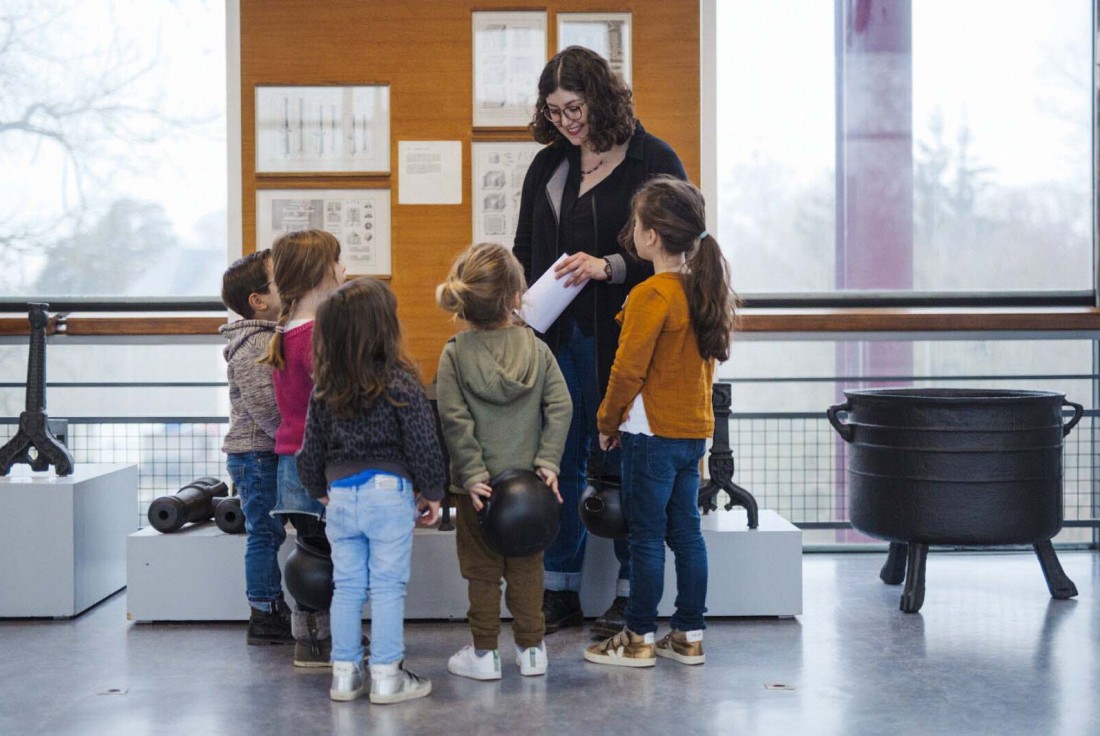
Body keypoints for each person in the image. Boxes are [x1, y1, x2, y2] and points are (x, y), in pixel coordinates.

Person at [512, 45, 688, 636]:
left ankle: (628, 594)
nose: (567, 122)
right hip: (556, 337)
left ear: (602, 97)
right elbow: (524, 250)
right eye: (556, 111)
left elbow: (680, 250)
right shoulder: (549, 165)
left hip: (629, 340)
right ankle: (559, 590)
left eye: (576, 107)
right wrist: (516, 303)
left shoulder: (651, 158)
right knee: (556, 457)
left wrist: (610, 265)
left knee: (622, 462)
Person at [584, 176, 736, 668]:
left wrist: (607, 422)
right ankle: (689, 635)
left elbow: (628, 369)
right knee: (686, 534)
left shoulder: (653, 294)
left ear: (650, 237)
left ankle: (639, 639)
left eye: (636, 223)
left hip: (649, 437)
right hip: (692, 434)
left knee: (646, 537)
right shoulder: (704, 289)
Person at [297, 277, 444, 703]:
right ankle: (386, 676)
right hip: (388, 493)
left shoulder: (326, 388)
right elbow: (422, 442)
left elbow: (310, 452)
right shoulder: (401, 383)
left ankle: (344, 675)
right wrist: (432, 492)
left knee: (346, 587)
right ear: (386, 328)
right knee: (386, 587)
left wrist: (319, 491)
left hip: (341, 496)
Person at [434, 243, 572, 680]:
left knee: (482, 574)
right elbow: (561, 406)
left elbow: (453, 421)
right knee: (529, 570)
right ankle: (533, 651)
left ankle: (485, 654)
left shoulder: (455, 354)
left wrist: (473, 474)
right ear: (516, 297)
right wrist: (548, 462)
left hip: (477, 492)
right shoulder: (537, 349)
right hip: (531, 488)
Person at [258, 228, 346, 667]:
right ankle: (326, 642)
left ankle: (309, 641)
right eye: (338, 261)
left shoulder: (286, 331)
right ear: (321, 273)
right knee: (332, 558)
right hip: (323, 466)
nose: (345, 270)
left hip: (291, 465)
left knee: (310, 554)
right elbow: (339, 400)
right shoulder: (317, 335)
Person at [219, 249, 290, 645]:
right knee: (264, 532)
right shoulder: (253, 344)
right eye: (279, 280)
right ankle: (263, 611)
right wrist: (294, 436)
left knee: (270, 531)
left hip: (263, 451)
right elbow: (265, 407)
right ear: (258, 301)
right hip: (256, 454)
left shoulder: (269, 336)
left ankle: (270, 604)